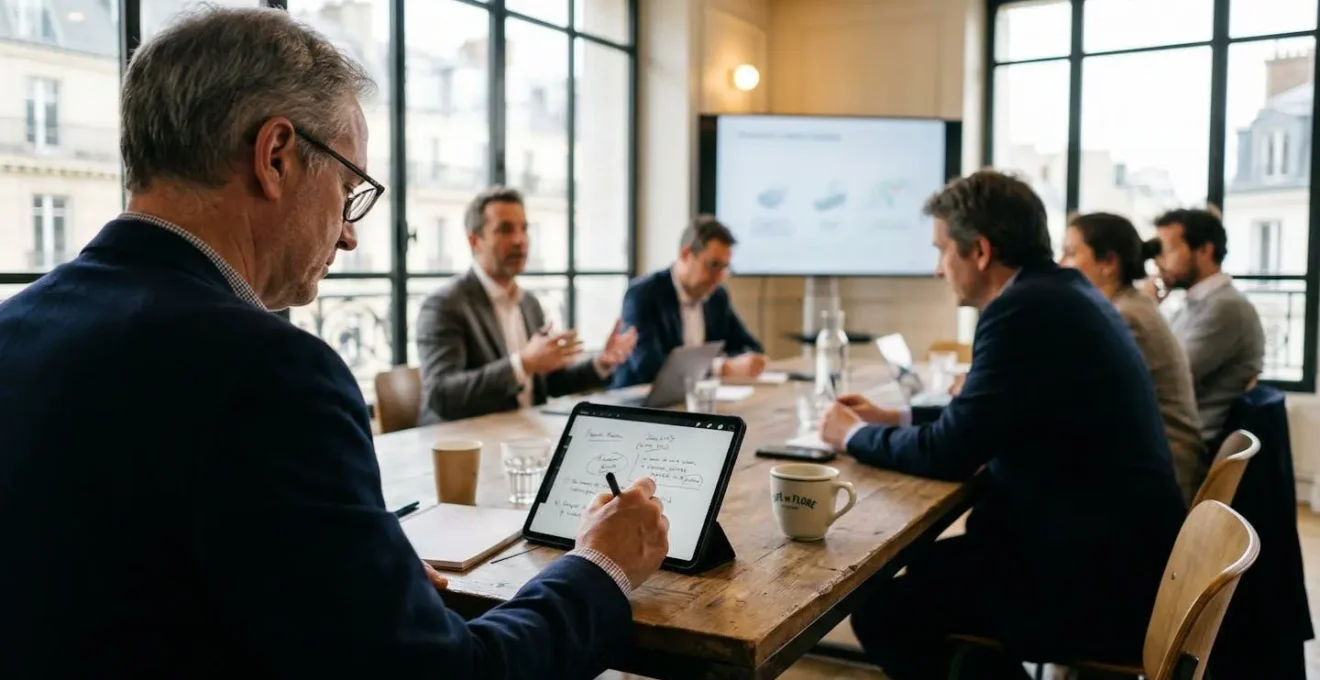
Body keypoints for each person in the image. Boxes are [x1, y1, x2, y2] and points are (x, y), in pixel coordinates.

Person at [0, 8, 668, 677]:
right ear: (276, 157)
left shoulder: (15, 329)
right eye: (348, 189)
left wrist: (351, 563)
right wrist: (599, 565)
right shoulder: (272, 373)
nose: (349, 235)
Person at [817, 171, 1186, 679]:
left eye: (942, 250)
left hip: (1096, 579)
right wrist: (893, 416)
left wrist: (851, 436)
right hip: (1123, 552)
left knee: (884, 607)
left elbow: (950, 453)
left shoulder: (1021, 310)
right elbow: (992, 410)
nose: (936, 270)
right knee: (930, 572)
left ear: (981, 251)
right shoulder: (1059, 292)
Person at [414, 186, 637, 424]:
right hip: (467, 445)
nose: (520, 241)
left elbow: (549, 382)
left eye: (524, 229)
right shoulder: (444, 305)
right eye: (505, 230)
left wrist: (601, 363)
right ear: (474, 240)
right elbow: (442, 395)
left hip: (525, 435)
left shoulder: (529, 303)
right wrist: (523, 364)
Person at [1061, 212, 1206, 502]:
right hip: (1164, 459)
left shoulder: (1122, 316)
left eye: (1070, 253)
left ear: (1109, 263)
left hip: (1162, 475)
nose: (1060, 264)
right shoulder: (1132, 304)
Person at [1151, 208, 1265, 442]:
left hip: (1186, 445)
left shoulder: (1225, 308)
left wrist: (1147, 309)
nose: (1159, 262)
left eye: (1168, 250)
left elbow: (1169, 380)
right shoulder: (1194, 304)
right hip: (1169, 436)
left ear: (1204, 250)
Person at [613, 215, 766, 388]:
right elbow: (648, 367)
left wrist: (746, 362)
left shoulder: (717, 297)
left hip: (694, 402)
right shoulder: (643, 294)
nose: (719, 277)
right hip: (638, 405)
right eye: (713, 265)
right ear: (686, 254)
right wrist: (721, 368)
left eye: (725, 268)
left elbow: (750, 347)